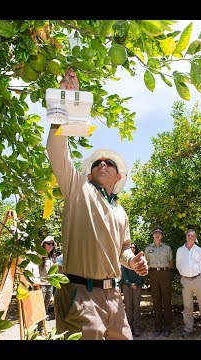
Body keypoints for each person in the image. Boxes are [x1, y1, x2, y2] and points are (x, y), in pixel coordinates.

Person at [45, 68, 148, 340]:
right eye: (97, 163)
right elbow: (56, 151)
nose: (103, 163)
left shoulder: (120, 211)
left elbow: (124, 250)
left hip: (114, 297)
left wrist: (133, 262)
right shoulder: (78, 187)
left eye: (110, 163)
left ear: (119, 176)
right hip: (80, 295)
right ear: (89, 174)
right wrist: (66, 104)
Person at [176, 229, 201, 340]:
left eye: (192, 235)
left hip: (198, 279)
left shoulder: (200, 250)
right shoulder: (180, 250)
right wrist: (184, 274)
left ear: (195, 238)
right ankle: (188, 328)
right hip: (186, 280)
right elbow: (178, 265)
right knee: (187, 306)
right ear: (186, 237)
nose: (190, 237)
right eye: (188, 235)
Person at [144, 225, 174, 337]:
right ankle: (158, 327)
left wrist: (164, 271)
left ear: (162, 236)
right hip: (153, 274)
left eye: (159, 233)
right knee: (156, 301)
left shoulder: (167, 248)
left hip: (164, 273)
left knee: (167, 300)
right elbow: (146, 263)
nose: (157, 234)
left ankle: (168, 327)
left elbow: (171, 263)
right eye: (155, 233)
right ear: (153, 235)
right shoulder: (148, 248)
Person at [121, 243, 143, 337]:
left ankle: (137, 327)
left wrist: (136, 284)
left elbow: (141, 274)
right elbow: (124, 274)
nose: (132, 248)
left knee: (137, 307)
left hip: (137, 286)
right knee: (128, 307)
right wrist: (130, 284)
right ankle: (129, 327)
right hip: (127, 286)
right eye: (130, 247)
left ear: (136, 249)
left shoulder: (139, 259)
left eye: (134, 247)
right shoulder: (125, 261)